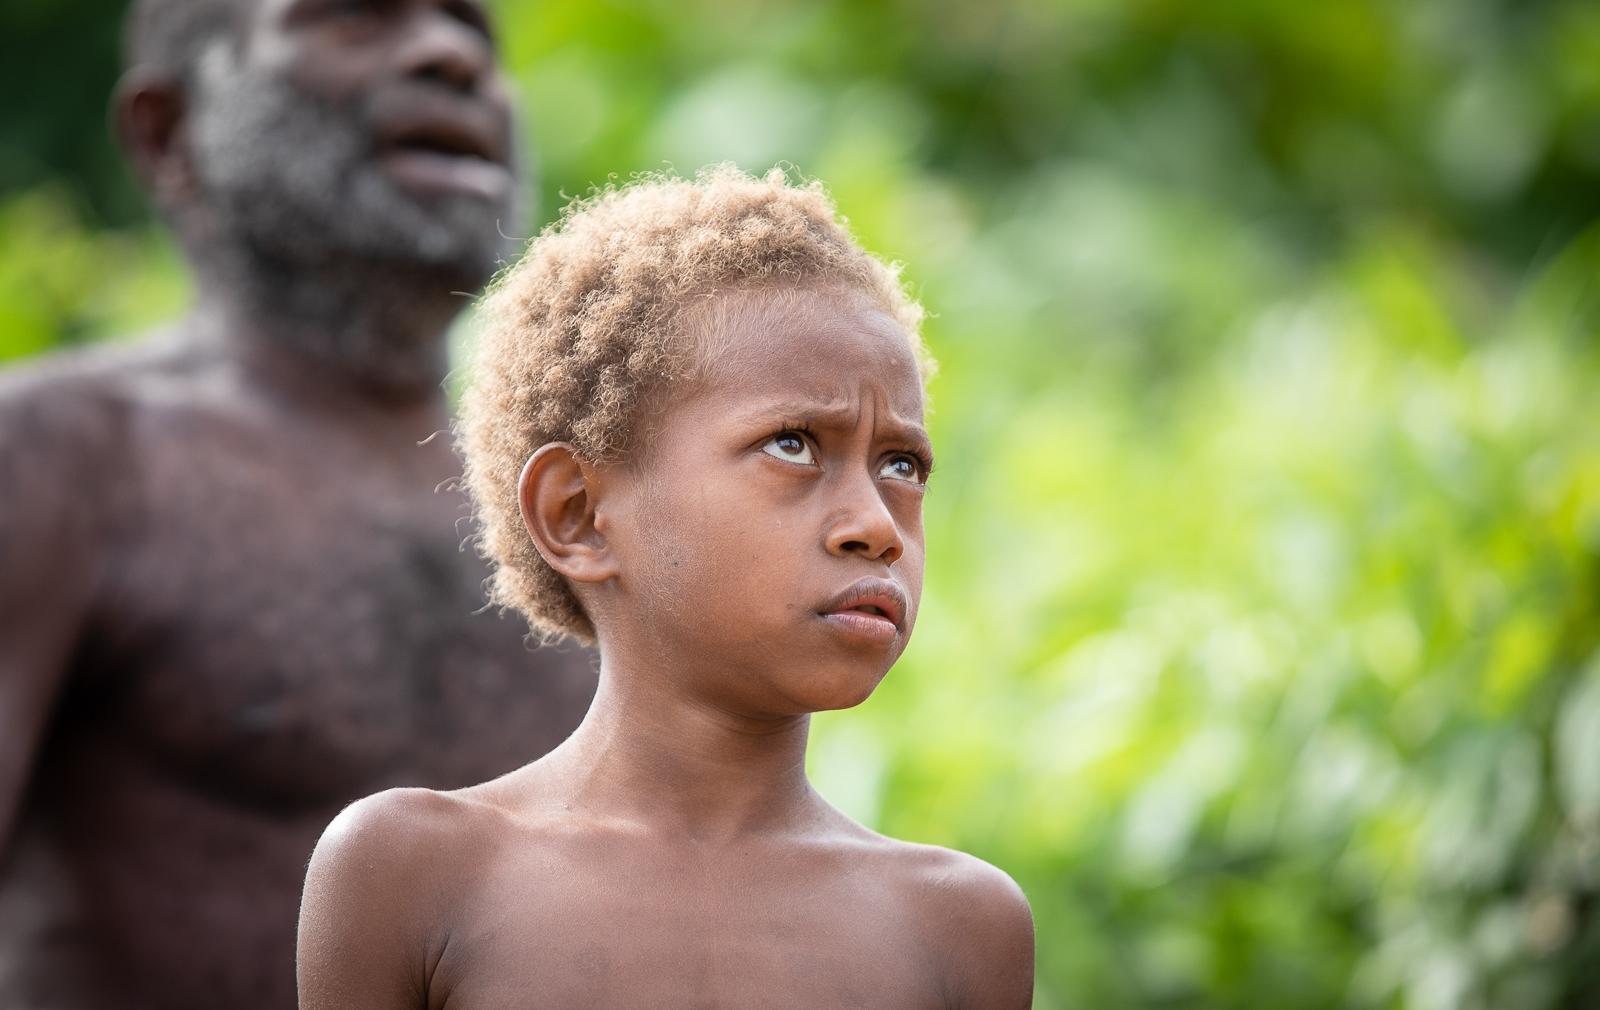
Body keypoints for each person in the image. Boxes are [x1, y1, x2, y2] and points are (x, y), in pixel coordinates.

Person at [296, 168, 1036, 1007]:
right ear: (576, 514)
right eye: (793, 444)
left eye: (902, 464)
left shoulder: (956, 927)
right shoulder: (413, 873)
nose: (876, 523)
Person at [0, 0, 596, 1003]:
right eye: (353, 17)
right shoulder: (63, 460)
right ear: (169, 130)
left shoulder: (595, 524)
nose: (448, 54)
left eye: (474, 28)